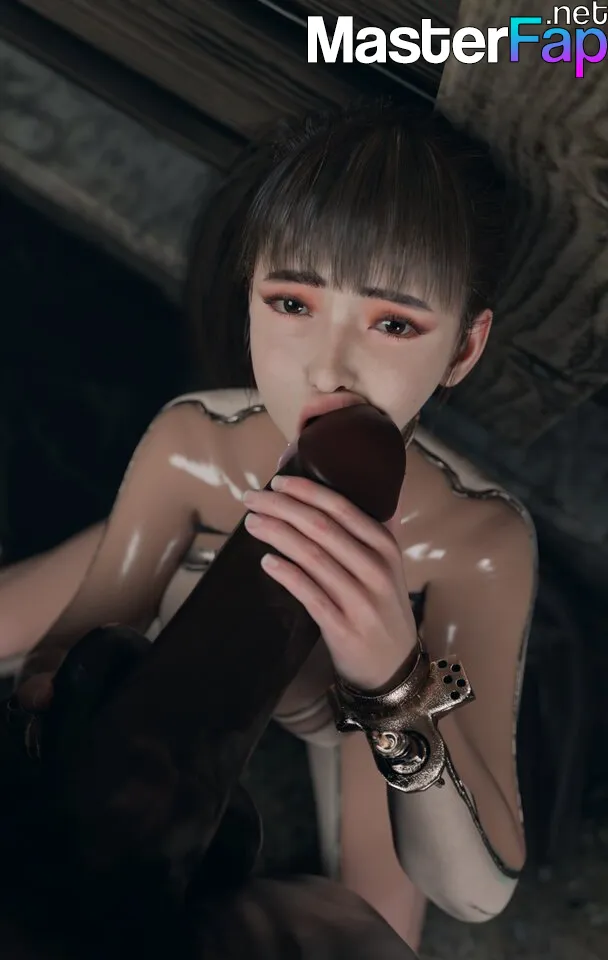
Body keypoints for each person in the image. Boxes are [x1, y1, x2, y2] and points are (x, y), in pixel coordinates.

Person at [1, 100, 536, 952]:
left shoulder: (474, 541)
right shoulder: (194, 447)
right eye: (291, 302)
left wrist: (394, 680)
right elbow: (89, 627)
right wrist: (56, 693)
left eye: (394, 323)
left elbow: (475, 890)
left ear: (464, 349)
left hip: (346, 712)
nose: (328, 367)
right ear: (247, 293)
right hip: (175, 589)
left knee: (372, 937)